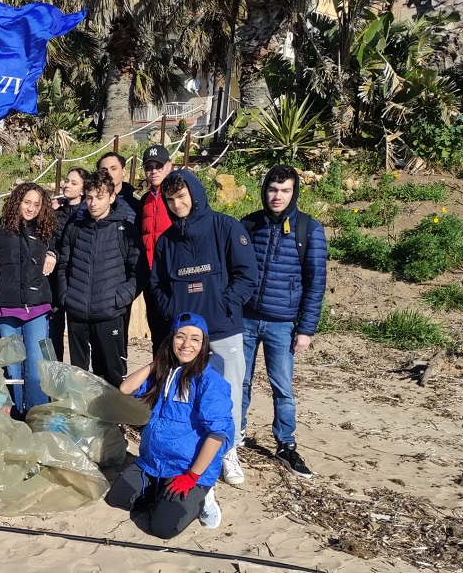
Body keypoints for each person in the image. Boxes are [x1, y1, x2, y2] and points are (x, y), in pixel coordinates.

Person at [150, 169, 258, 486]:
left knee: (228, 394)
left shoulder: (226, 227)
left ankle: (228, 453)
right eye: (170, 200)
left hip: (223, 330)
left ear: (194, 194)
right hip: (186, 336)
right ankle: (195, 449)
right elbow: (157, 284)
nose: (177, 205)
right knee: (186, 393)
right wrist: (173, 310)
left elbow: (246, 275)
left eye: (181, 197)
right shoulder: (167, 241)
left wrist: (224, 304)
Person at [106, 312, 233, 539]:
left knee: (163, 528)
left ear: (204, 344)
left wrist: (192, 477)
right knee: (117, 499)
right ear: (170, 339)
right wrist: (156, 364)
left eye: (195, 339)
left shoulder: (209, 380)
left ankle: (202, 497)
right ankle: (163, 491)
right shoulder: (165, 373)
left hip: (188, 469)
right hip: (153, 463)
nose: (186, 344)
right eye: (180, 337)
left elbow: (217, 434)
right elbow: (125, 389)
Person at [240, 165, 327, 478]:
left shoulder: (309, 229)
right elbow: (233, 269)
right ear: (264, 190)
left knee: (282, 387)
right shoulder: (249, 224)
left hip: (283, 324)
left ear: (294, 193)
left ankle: (286, 444)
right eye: (272, 190)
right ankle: (233, 435)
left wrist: (306, 329)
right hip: (246, 320)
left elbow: (315, 282)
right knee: (240, 382)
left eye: (285, 190)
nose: (277, 196)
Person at [0, 182, 56, 417]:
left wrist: (53, 253)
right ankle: (15, 414)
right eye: (27, 202)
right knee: (12, 367)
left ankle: (36, 415)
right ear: (17, 202)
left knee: (37, 367)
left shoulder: (45, 230)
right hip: (8, 309)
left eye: (37, 204)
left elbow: (61, 245)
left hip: (37, 306)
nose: (31, 208)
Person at [56, 169, 140, 387]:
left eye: (100, 197)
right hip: (77, 312)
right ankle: (85, 418)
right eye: (90, 197)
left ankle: (114, 418)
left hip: (109, 313)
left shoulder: (125, 230)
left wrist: (119, 299)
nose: (93, 203)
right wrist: (66, 296)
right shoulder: (74, 227)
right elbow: (63, 264)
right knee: (79, 375)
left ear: (112, 197)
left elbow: (138, 271)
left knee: (112, 372)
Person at [49, 167, 89, 361]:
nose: (67, 185)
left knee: (77, 335)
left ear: (83, 190)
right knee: (54, 330)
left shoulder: (86, 213)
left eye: (74, 183)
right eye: (66, 181)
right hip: (55, 276)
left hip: (77, 277)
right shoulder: (55, 211)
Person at [138, 144, 174, 355]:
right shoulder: (145, 200)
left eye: (158, 166)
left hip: (173, 277)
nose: (154, 171)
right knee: (158, 337)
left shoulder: (178, 196)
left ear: (169, 166)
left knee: (177, 335)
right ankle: (161, 383)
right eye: (149, 167)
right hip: (152, 279)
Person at [97, 151, 141, 223]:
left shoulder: (135, 205)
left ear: (123, 171)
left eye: (113, 169)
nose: (109, 173)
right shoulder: (90, 202)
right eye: (104, 170)